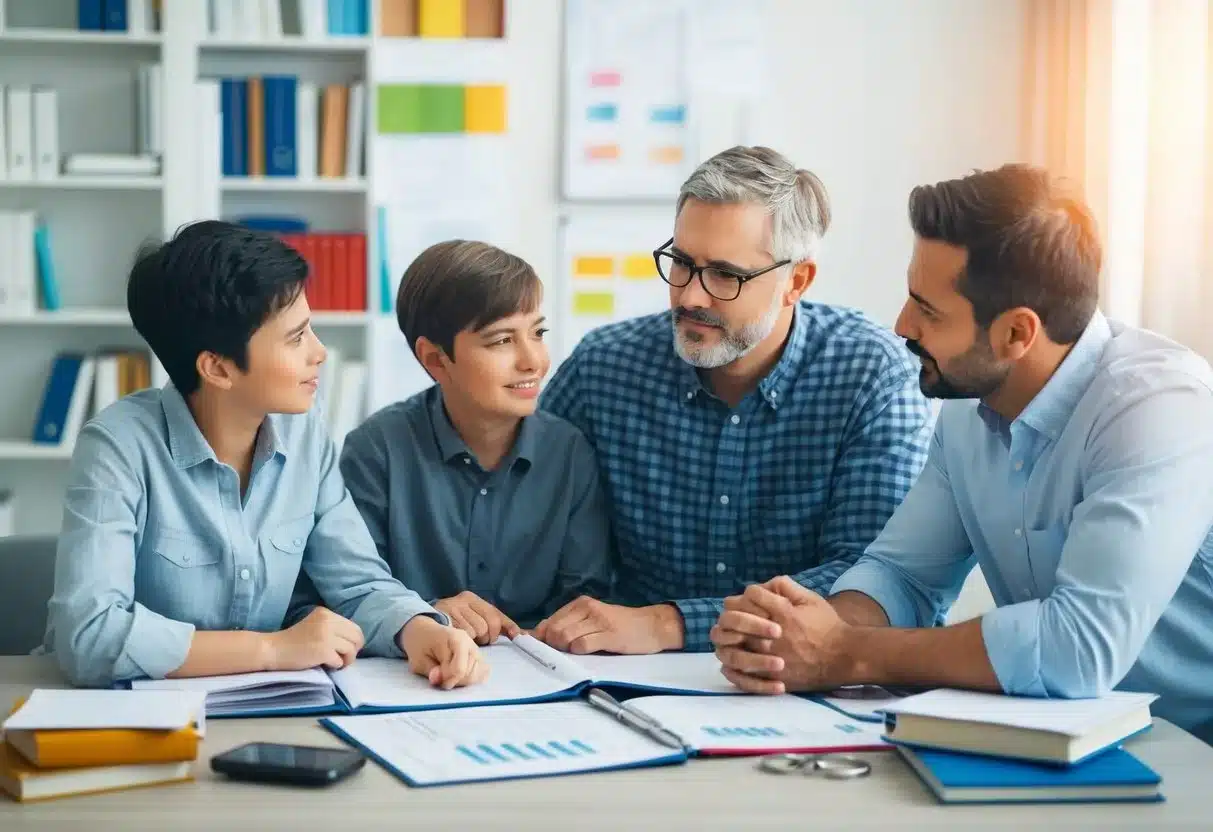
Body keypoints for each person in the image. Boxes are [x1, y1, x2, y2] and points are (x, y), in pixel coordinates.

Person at [710, 163, 1213, 736]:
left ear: (1016, 335)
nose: (902, 324)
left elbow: (1079, 648)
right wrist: (803, 634)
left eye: (927, 310)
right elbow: (903, 575)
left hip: (1194, 749)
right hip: (1069, 739)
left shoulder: (1157, 407)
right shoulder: (967, 408)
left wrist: (847, 652)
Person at [44, 220, 487, 690]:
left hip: (266, 706)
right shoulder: (117, 447)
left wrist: (418, 631)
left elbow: (357, 583)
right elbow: (89, 637)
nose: (320, 353)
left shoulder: (305, 438)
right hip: (136, 718)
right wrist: (271, 649)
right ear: (217, 367)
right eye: (296, 338)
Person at [536, 146, 934, 654]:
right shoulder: (604, 368)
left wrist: (669, 625)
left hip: (801, 693)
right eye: (681, 263)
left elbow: (870, 587)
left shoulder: (872, 376)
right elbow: (519, 515)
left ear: (797, 281)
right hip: (617, 681)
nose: (690, 297)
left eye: (725, 274)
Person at [334, 240, 612, 643]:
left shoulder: (569, 452)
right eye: (501, 340)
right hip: (416, 676)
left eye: (538, 332)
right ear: (435, 359)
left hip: (540, 673)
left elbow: (584, 599)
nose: (532, 360)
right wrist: (423, 614)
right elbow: (349, 592)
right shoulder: (376, 451)